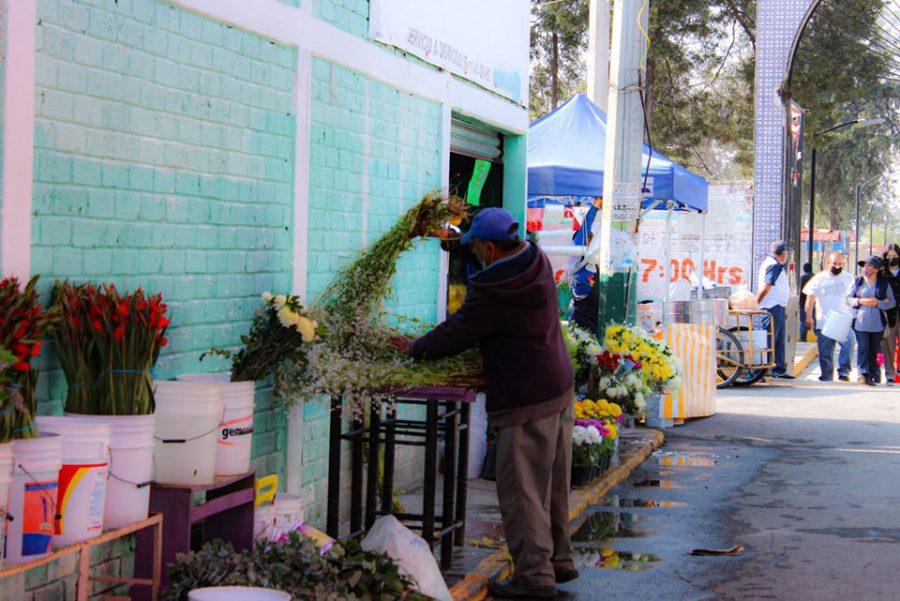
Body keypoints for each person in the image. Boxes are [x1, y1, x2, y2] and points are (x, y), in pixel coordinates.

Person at [393, 207, 576, 599]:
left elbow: (456, 332)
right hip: (559, 385)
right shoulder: (535, 259)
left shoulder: (494, 291)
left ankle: (533, 578)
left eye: (476, 247)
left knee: (522, 491)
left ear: (490, 248)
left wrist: (414, 349)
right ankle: (557, 561)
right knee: (553, 487)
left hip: (527, 397)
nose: (474, 254)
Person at [846, 256, 896, 386]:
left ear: (877, 269)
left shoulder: (883, 283)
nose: (866, 269)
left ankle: (873, 375)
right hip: (860, 323)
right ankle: (863, 375)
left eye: (870, 266)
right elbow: (848, 299)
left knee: (874, 350)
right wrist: (860, 301)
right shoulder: (857, 281)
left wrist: (877, 303)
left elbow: (892, 302)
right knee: (863, 348)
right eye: (865, 266)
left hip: (877, 324)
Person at [803, 252, 853, 381]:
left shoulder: (849, 278)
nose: (837, 266)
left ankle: (844, 372)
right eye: (835, 264)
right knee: (826, 352)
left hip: (844, 320)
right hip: (824, 321)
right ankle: (826, 375)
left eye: (841, 264)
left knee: (848, 345)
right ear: (828, 263)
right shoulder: (819, 278)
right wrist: (809, 316)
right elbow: (810, 299)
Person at [757, 241, 794, 380]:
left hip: (777, 307)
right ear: (783, 254)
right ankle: (759, 372)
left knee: (778, 340)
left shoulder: (773, 264)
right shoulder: (774, 265)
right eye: (787, 253)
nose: (787, 256)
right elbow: (766, 287)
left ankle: (779, 369)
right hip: (772, 307)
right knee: (769, 339)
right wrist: (756, 303)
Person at [569, 203, 601, 332]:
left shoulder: (599, 265)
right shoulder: (577, 259)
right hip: (581, 313)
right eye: (590, 238)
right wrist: (594, 208)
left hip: (597, 316)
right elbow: (583, 233)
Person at [881, 244, 900, 386]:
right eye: (889, 256)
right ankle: (890, 374)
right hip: (888, 314)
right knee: (888, 344)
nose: (892, 259)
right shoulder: (882, 273)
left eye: (895, 256)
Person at [799, 262, 814, 342]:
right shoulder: (815, 277)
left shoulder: (803, 277)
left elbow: (801, 291)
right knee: (814, 318)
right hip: (814, 302)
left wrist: (800, 302)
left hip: (804, 302)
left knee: (803, 320)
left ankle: (803, 337)